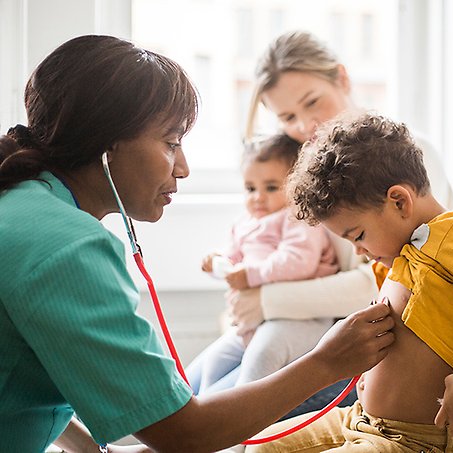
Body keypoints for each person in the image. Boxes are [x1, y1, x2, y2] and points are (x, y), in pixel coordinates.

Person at [0, 35, 395, 453]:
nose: (183, 168)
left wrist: (95, 449)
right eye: (171, 143)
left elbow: (27, 370)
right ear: (106, 147)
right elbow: (185, 434)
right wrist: (327, 362)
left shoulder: (21, 201)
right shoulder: (69, 248)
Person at [244, 113, 453, 452]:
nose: (359, 250)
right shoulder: (402, 254)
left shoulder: (452, 235)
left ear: (399, 201)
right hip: (358, 418)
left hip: (412, 440)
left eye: (358, 235)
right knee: (260, 446)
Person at [226, 30, 453, 416]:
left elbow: (387, 281)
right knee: (207, 389)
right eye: (287, 117)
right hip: (323, 333)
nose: (305, 124)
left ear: (343, 78)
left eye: (312, 102)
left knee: (241, 409)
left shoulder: (407, 155)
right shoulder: (310, 176)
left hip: (380, 342)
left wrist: (264, 302)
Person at [187, 133, 339, 396]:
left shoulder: (298, 218)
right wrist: (219, 263)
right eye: (250, 188)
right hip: (255, 319)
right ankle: (207, 418)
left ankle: (240, 424)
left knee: (262, 355)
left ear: (297, 185)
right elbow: (236, 260)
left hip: (300, 318)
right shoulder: (246, 223)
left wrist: (250, 275)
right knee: (215, 360)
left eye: (270, 188)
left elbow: (298, 261)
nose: (258, 197)